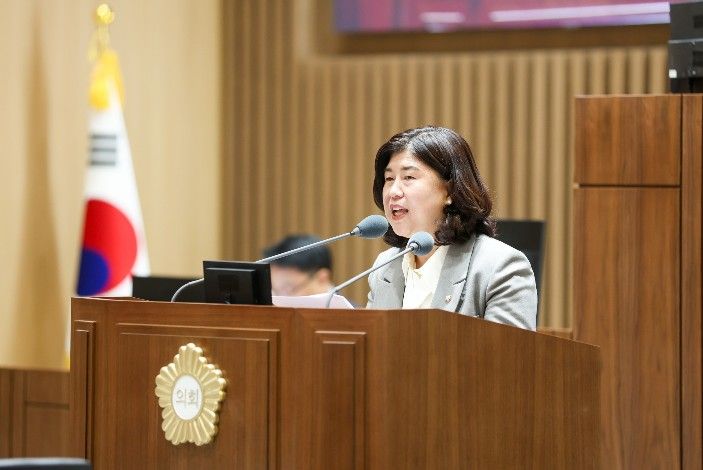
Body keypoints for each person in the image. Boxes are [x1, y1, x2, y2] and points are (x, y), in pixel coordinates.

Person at [366, 126, 537, 330]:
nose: (393, 191)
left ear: (450, 191)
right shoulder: (384, 267)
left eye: (408, 177)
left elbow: (509, 350)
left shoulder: (499, 267)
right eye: (389, 179)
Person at [263, 234, 334, 296]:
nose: (279, 298)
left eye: (288, 289)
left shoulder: (340, 307)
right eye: (275, 291)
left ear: (322, 278)